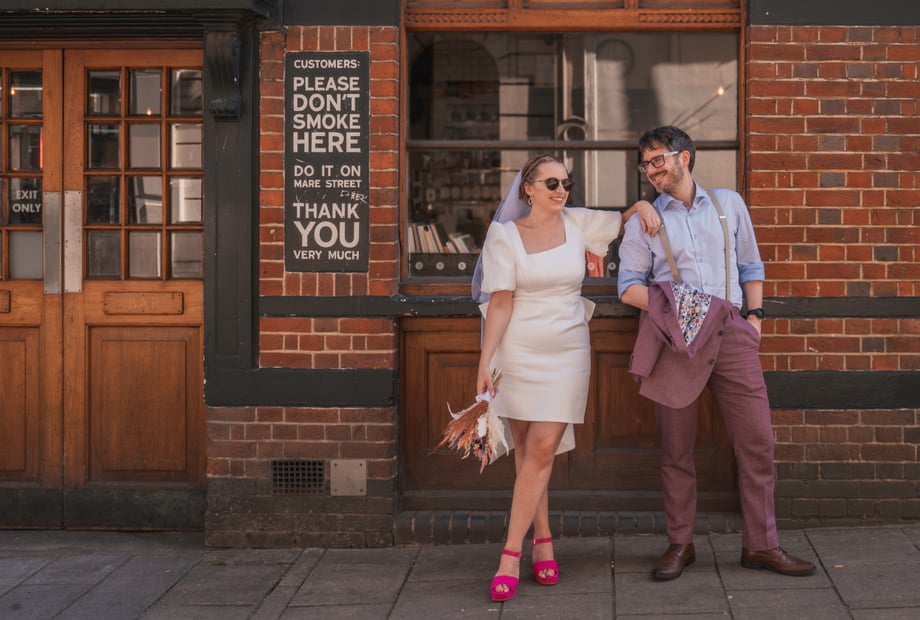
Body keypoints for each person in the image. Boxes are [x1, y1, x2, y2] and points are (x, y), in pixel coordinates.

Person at [617, 125, 816, 581]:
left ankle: (761, 545)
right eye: (645, 164)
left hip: (733, 337)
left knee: (757, 443)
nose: (651, 170)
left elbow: (750, 263)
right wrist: (682, 307)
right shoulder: (644, 220)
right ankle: (680, 543)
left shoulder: (728, 204)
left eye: (657, 160)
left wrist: (755, 319)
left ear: (684, 157)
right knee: (676, 449)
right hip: (675, 342)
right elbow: (627, 288)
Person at [472, 154, 660, 601]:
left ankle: (509, 555)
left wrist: (641, 204)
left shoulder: (578, 223)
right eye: (551, 183)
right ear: (528, 189)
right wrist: (484, 361)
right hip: (518, 352)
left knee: (541, 449)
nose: (561, 190)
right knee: (526, 453)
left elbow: (620, 220)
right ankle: (543, 540)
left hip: (568, 351)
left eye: (566, 183)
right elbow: (500, 302)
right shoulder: (504, 236)